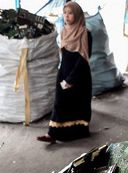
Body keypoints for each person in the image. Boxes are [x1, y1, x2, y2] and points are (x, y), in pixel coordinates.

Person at [37, 2, 92, 143]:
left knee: (77, 104)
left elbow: (83, 59)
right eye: (65, 12)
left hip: (79, 75)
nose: (66, 16)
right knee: (59, 102)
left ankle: (77, 132)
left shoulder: (85, 33)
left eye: (70, 13)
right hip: (64, 72)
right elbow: (64, 55)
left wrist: (71, 79)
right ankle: (52, 134)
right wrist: (62, 74)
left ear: (78, 15)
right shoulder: (64, 31)